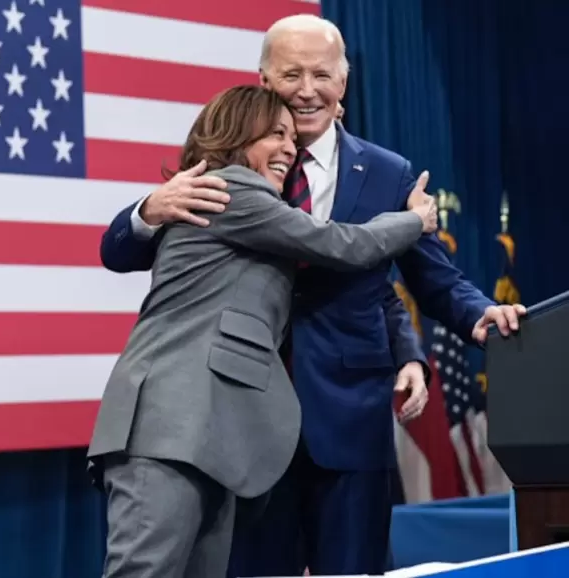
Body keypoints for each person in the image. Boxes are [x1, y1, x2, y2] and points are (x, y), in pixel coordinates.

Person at [97, 14, 527, 577]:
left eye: (320, 74)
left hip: (347, 417)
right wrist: (147, 211)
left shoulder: (385, 172)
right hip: (236, 420)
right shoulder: (222, 173)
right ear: (263, 78)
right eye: (291, 73)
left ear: (343, 84)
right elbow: (120, 252)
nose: (306, 89)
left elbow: (420, 281)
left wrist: (474, 315)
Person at [87, 85, 438, 578]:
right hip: (171, 427)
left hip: (212, 438)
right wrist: (414, 219)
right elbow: (342, 244)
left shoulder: (243, 205)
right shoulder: (231, 190)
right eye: (276, 134)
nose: (290, 149)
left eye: (293, 138)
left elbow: (368, 289)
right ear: (237, 135)